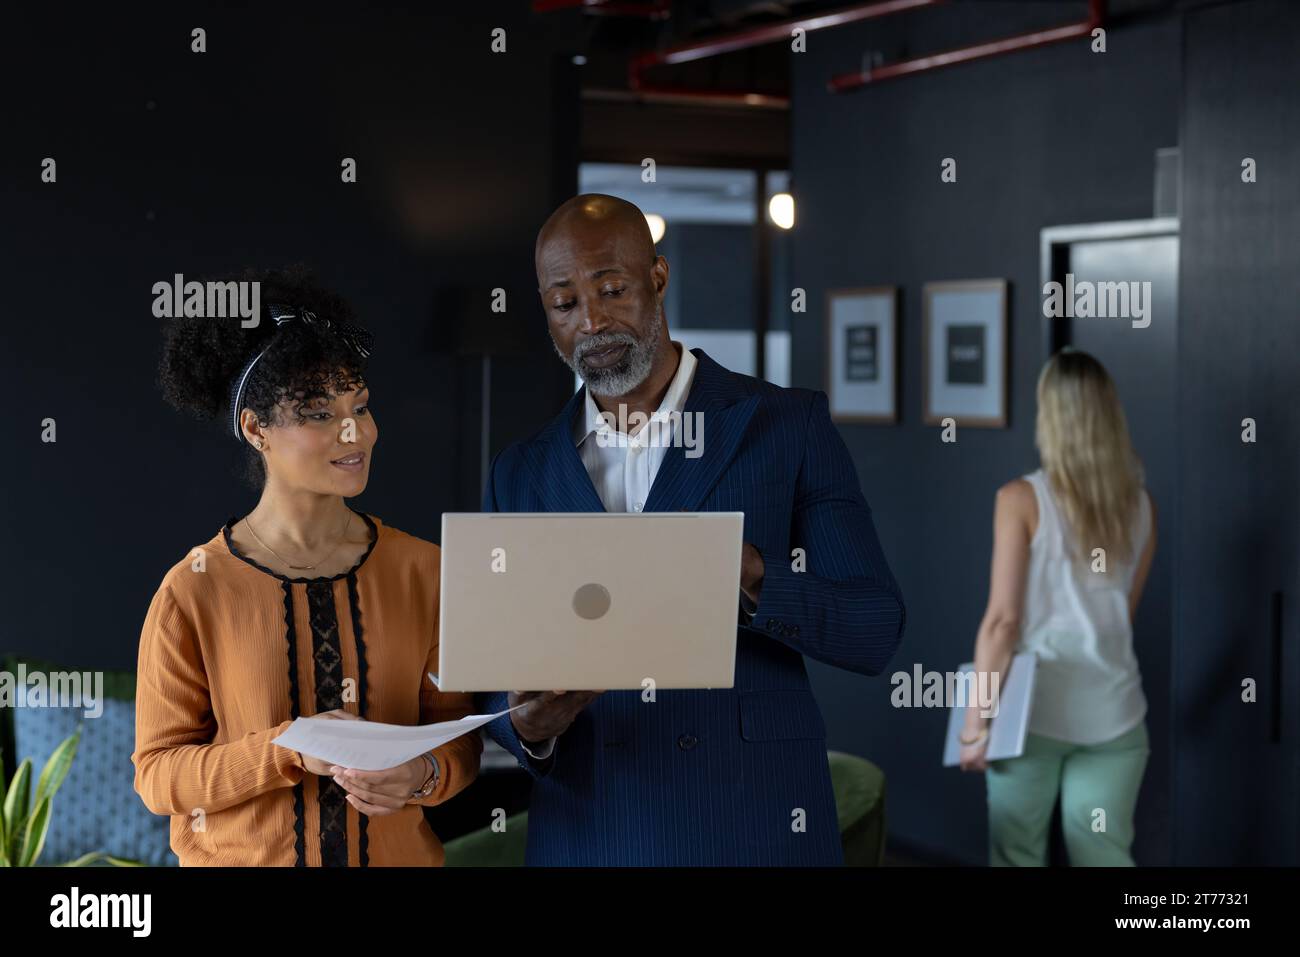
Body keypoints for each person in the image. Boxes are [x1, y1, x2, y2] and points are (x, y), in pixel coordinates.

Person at [477, 194, 906, 865]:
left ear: (658, 277)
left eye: (612, 289)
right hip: (592, 833)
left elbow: (874, 627)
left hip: (752, 824)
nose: (591, 320)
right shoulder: (520, 472)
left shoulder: (787, 427)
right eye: (564, 304)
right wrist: (524, 723)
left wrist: (747, 571)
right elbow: (491, 678)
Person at [133, 267, 481, 866]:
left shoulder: (426, 571)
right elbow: (159, 779)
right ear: (255, 429)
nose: (356, 432)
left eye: (361, 406)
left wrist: (421, 775)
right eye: (319, 413)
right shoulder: (193, 590)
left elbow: (462, 740)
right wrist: (288, 749)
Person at [959, 349, 1156, 866]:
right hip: (1117, 716)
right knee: (1104, 854)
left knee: (1017, 854)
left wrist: (975, 722)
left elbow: (1002, 623)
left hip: (1032, 718)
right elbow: (1121, 620)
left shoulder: (1020, 498)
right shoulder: (1141, 506)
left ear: (1050, 415)